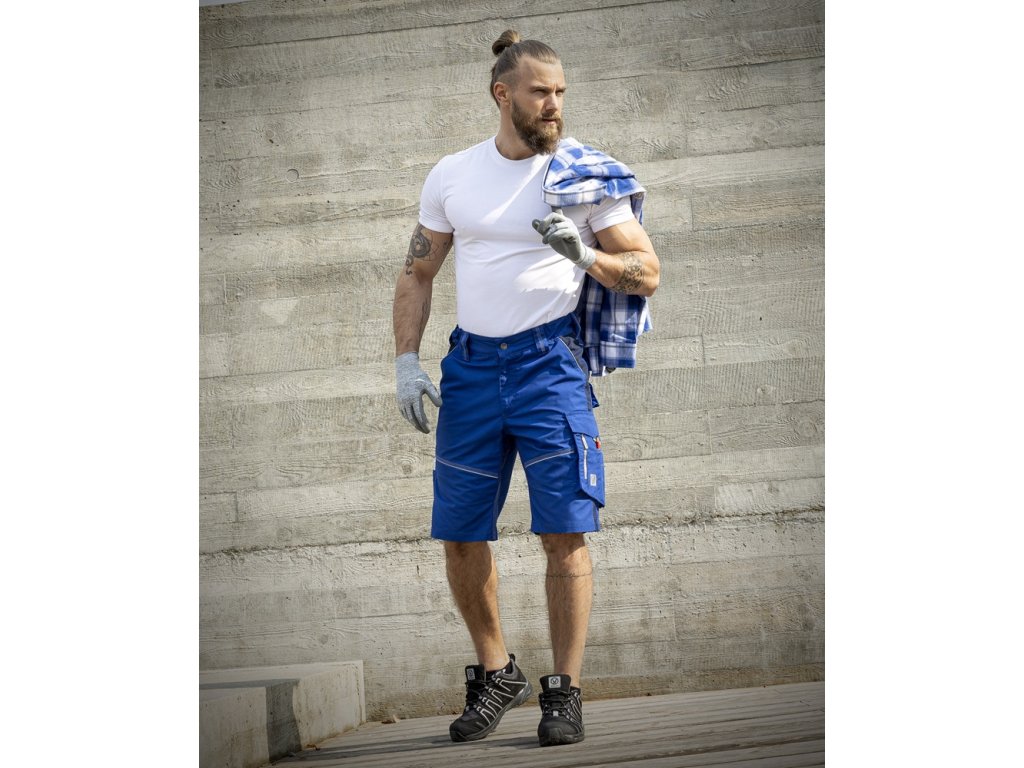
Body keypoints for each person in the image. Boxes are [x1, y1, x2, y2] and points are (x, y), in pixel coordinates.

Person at [392, 29, 660, 747]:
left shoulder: (583, 177)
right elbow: (418, 272)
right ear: (502, 94)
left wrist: (587, 256)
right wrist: (406, 361)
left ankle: (563, 692)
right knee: (458, 533)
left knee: (563, 531)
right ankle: (497, 672)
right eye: (541, 92)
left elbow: (647, 271)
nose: (555, 105)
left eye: (561, 92)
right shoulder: (453, 175)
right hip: (472, 370)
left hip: (550, 368)